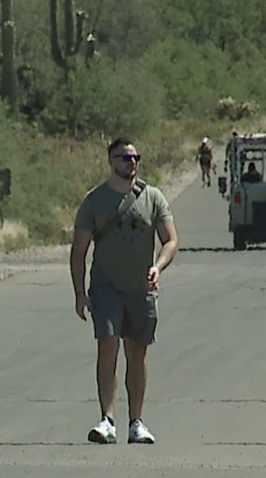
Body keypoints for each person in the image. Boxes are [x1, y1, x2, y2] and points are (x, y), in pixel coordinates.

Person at [70, 137, 179, 444]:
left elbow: (171, 240)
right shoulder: (94, 201)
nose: (131, 163)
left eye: (135, 158)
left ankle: (137, 422)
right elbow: (79, 249)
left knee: (137, 352)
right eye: (125, 158)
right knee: (107, 346)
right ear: (111, 162)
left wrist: (158, 266)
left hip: (140, 288)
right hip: (106, 286)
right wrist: (80, 293)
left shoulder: (153, 197)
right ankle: (107, 419)